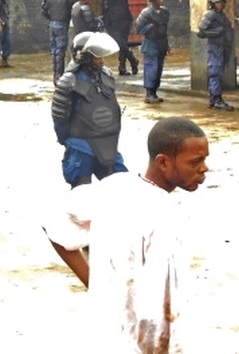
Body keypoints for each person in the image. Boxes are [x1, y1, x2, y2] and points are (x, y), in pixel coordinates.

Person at [43, 116, 209, 353]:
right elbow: (162, 308)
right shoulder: (164, 216)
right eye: (195, 162)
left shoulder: (116, 186)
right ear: (163, 162)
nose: (204, 168)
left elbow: (54, 223)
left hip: (103, 339)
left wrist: (95, 285)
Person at [51, 32, 128, 188]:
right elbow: (60, 119)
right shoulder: (69, 82)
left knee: (121, 186)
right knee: (81, 190)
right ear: (83, 57)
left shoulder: (106, 76)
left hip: (107, 144)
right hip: (81, 145)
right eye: (97, 56)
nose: (102, 60)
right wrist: (68, 141)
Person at [41, 0, 90, 85]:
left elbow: (43, 10)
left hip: (52, 24)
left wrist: (51, 18)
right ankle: (59, 75)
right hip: (62, 25)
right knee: (60, 51)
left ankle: (56, 74)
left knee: (54, 51)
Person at [198, 0, 235, 111]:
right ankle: (217, 99)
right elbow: (201, 31)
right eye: (218, 2)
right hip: (215, 47)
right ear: (213, 3)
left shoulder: (221, 16)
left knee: (218, 72)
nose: (221, 5)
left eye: (222, 2)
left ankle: (213, 98)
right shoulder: (210, 15)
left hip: (222, 47)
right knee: (216, 72)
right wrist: (216, 32)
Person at [134, 0, 171, 104]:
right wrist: (149, 27)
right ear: (154, 1)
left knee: (159, 69)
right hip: (150, 44)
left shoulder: (164, 12)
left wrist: (168, 47)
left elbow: (165, 30)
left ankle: (154, 91)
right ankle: (149, 92)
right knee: (151, 69)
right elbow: (137, 29)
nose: (161, 1)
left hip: (161, 44)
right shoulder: (146, 13)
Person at [102, 0, 139, 76]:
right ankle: (133, 60)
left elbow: (125, 10)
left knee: (122, 46)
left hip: (123, 24)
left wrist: (129, 22)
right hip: (113, 26)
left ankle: (122, 67)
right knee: (122, 45)